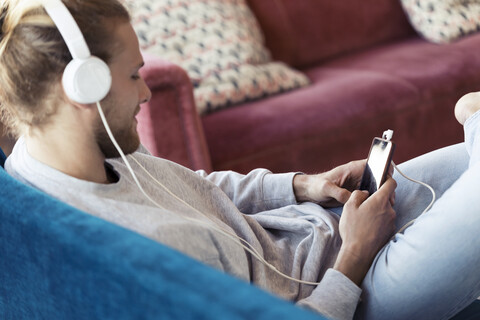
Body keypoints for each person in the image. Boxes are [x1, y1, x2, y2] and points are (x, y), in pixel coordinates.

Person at [0, 1, 478, 319]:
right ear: (85, 89)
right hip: (354, 292)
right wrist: (355, 254)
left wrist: (304, 185)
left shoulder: (76, 152)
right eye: (133, 75)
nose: (145, 92)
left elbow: (198, 187)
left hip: (319, 229)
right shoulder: (114, 254)